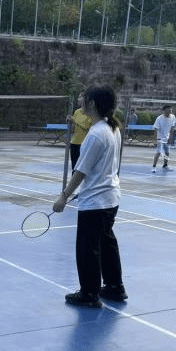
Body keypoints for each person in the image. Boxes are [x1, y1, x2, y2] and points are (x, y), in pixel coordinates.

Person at [52, 84, 127, 308]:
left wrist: (64, 197)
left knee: (88, 249)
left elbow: (81, 171)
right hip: (111, 198)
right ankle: (115, 287)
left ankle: (89, 294)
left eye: (84, 98)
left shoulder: (95, 134)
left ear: (92, 104)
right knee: (106, 243)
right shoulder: (113, 129)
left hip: (95, 202)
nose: (80, 101)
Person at [66, 94, 92, 170]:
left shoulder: (90, 113)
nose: (78, 99)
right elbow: (73, 127)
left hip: (84, 143)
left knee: (82, 168)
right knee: (74, 167)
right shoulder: (77, 112)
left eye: (80, 97)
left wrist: (74, 120)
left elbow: (86, 127)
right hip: (74, 142)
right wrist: (70, 122)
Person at [151, 103, 175, 172]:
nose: (170, 110)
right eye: (168, 109)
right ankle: (154, 167)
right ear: (164, 110)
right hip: (160, 138)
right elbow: (155, 129)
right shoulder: (159, 118)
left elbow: (172, 128)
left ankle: (165, 165)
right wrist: (155, 140)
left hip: (166, 138)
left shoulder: (172, 117)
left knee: (167, 153)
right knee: (158, 153)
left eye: (171, 109)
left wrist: (170, 137)